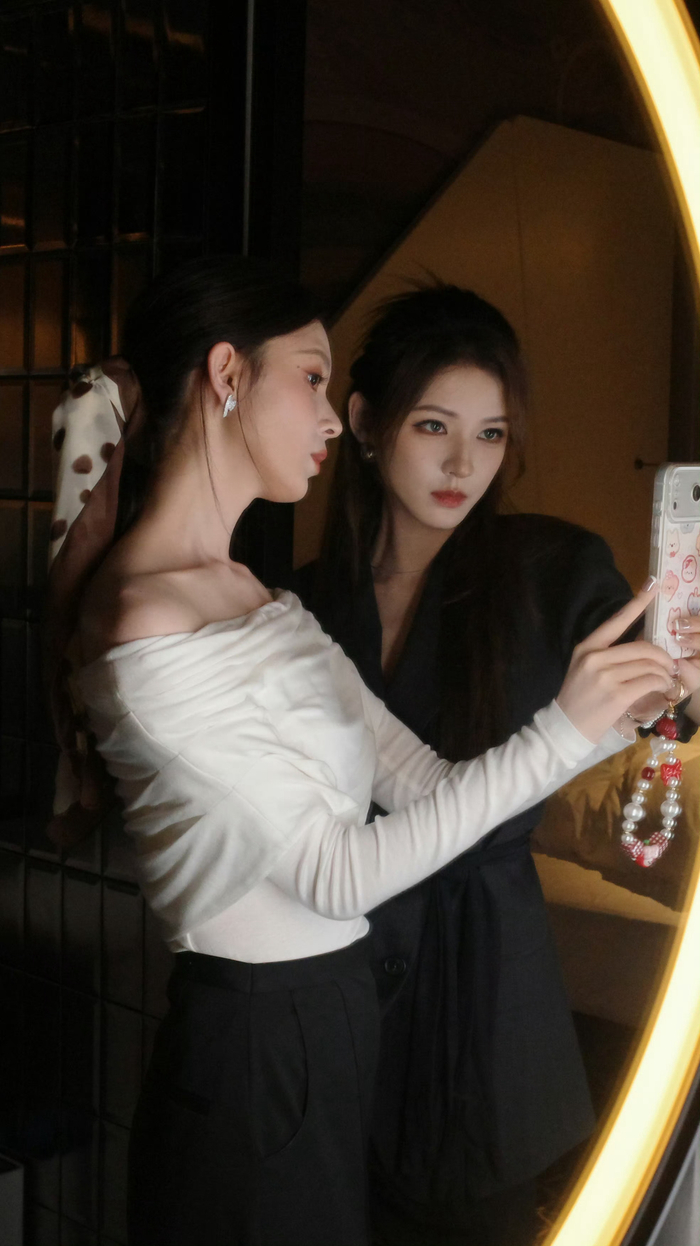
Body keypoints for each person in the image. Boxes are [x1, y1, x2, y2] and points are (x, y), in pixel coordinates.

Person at [46, 258, 680, 1246]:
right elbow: (335, 874)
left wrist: (616, 713)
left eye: (491, 433)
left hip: (354, 1023)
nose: (330, 419)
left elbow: (425, 781)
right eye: (310, 379)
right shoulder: (148, 616)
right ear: (227, 374)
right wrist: (563, 729)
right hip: (261, 1039)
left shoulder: (268, 603)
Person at [296, 283, 700, 1246]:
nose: (462, 464)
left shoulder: (551, 569)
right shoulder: (299, 606)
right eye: (433, 425)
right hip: (331, 988)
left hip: (486, 1005)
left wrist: (680, 692)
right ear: (365, 422)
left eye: (490, 434)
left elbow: (661, 714)